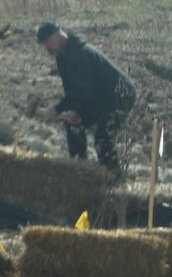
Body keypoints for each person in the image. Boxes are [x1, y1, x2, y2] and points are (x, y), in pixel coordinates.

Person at [37, 22, 136, 174]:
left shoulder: (79, 52)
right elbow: (70, 89)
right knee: (73, 124)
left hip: (120, 95)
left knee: (103, 138)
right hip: (97, 97)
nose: (47, 48)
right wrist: (74, 111)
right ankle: (79, 169)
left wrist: (58, 109)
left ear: (58, 35)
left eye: (47, 43)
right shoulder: (62, 57)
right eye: (44, 45)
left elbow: (80, 90)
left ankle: (113, 177)